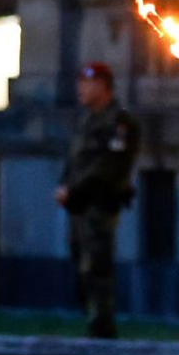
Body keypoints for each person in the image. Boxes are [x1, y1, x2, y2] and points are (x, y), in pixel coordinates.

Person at [54, 63, 140, 339]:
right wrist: (65, 187)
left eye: (87, 82)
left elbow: (107, 167)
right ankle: (93, 324)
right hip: (79, 208)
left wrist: (74, 190)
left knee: (96, 268)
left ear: (103, 85)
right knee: (82, 269)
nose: (81, 88)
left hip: (99, 206)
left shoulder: (119, 122)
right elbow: (76, 160)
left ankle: (101, 329)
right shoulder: (89, 120)